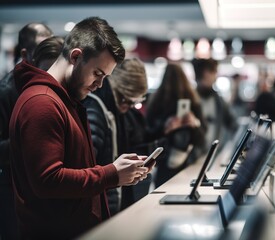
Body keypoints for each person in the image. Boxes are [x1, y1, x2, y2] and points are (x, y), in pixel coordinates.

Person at [9, 17, 152, 239]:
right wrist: (111, 174)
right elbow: (48, 181)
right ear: (76, 56)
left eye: (105, 77)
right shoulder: (42, 102)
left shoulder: (64, 100)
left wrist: (116, 171)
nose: (100, 84)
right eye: (97, 73)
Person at [83, 58, 160, 213]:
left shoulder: (119, 112)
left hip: (114, 201)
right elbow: (89, 169)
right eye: (127, 100)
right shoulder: (97, 110)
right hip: (100, 206)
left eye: (135, 102)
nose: (129, 107)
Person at [0, 22, 53, 240]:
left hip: (41, 190)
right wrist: (32, 141)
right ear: (25, 53)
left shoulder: (48, 84)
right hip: (13, 189)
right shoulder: (6, 91)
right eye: (41, 48)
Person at [146, 63, 207, 187]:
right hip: (189, 163)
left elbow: (147, 134)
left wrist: (164, 128)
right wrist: (194, 125)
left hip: (164, 164)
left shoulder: (156, 101)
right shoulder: (193, 101)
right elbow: (202, 138)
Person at [192, 58, 238, 150]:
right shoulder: (191, 99)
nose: (215, 77)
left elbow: (232, 123)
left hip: (213, 153)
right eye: (214, 72)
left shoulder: (218, 100)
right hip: (194, 155)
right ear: (206, 73)